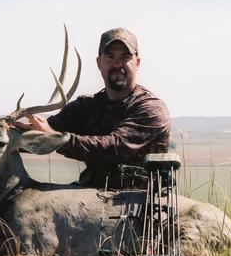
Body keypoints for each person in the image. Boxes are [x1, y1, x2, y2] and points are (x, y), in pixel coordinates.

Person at [17, 27, 170, 189]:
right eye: (110, 57)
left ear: (137, 63)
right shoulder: (86, 106)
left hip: (139, 203)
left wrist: (56, 139)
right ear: (99, 63)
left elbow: (113, 147)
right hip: (89, 195)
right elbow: (43, 131)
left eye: (125, 57)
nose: (117, 64)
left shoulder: (152, 109)